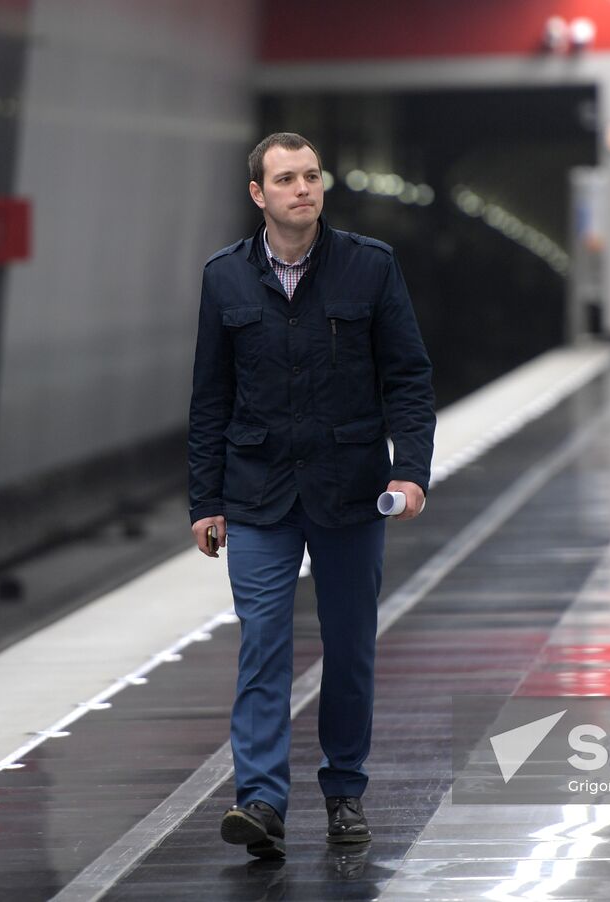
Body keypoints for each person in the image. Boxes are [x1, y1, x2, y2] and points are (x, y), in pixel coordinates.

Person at [188, 132, 436, 860]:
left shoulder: (370, 267)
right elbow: (210, 397)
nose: (303, 188)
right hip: (258, 492)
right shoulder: (224, 279)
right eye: (286, 179)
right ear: (259, 195)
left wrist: (410, 471)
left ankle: (344, 792)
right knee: (261, 645)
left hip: (351, 490)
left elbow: (409, 380)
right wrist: (205, 501)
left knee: (350, 646)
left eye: (311, 176)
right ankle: (260, 800)